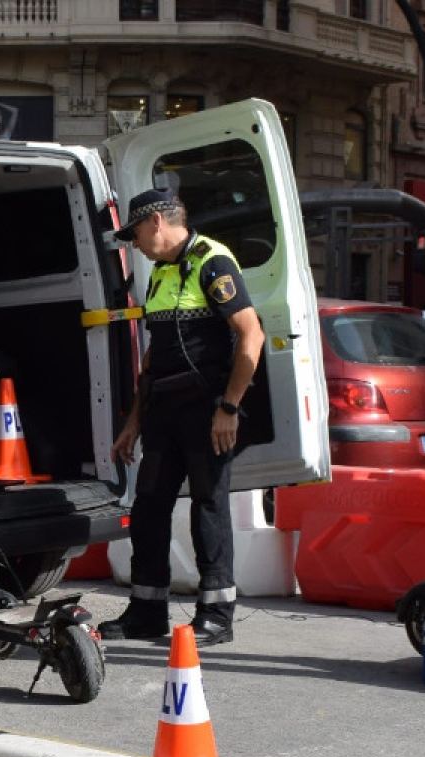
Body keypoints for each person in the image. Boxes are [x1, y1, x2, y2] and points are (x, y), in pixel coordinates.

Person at [98, 185, 264, 647]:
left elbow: (251, 336)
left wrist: (229, 407)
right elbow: (154, 358)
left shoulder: (213, 260)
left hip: (206, 409)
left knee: (208, 508)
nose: (135, 245)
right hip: (163, 412)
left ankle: (216, 615)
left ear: (157, 222)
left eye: (135, 235)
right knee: (149, 509)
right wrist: (132, 423)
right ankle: (146, 614)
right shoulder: (161, 273)